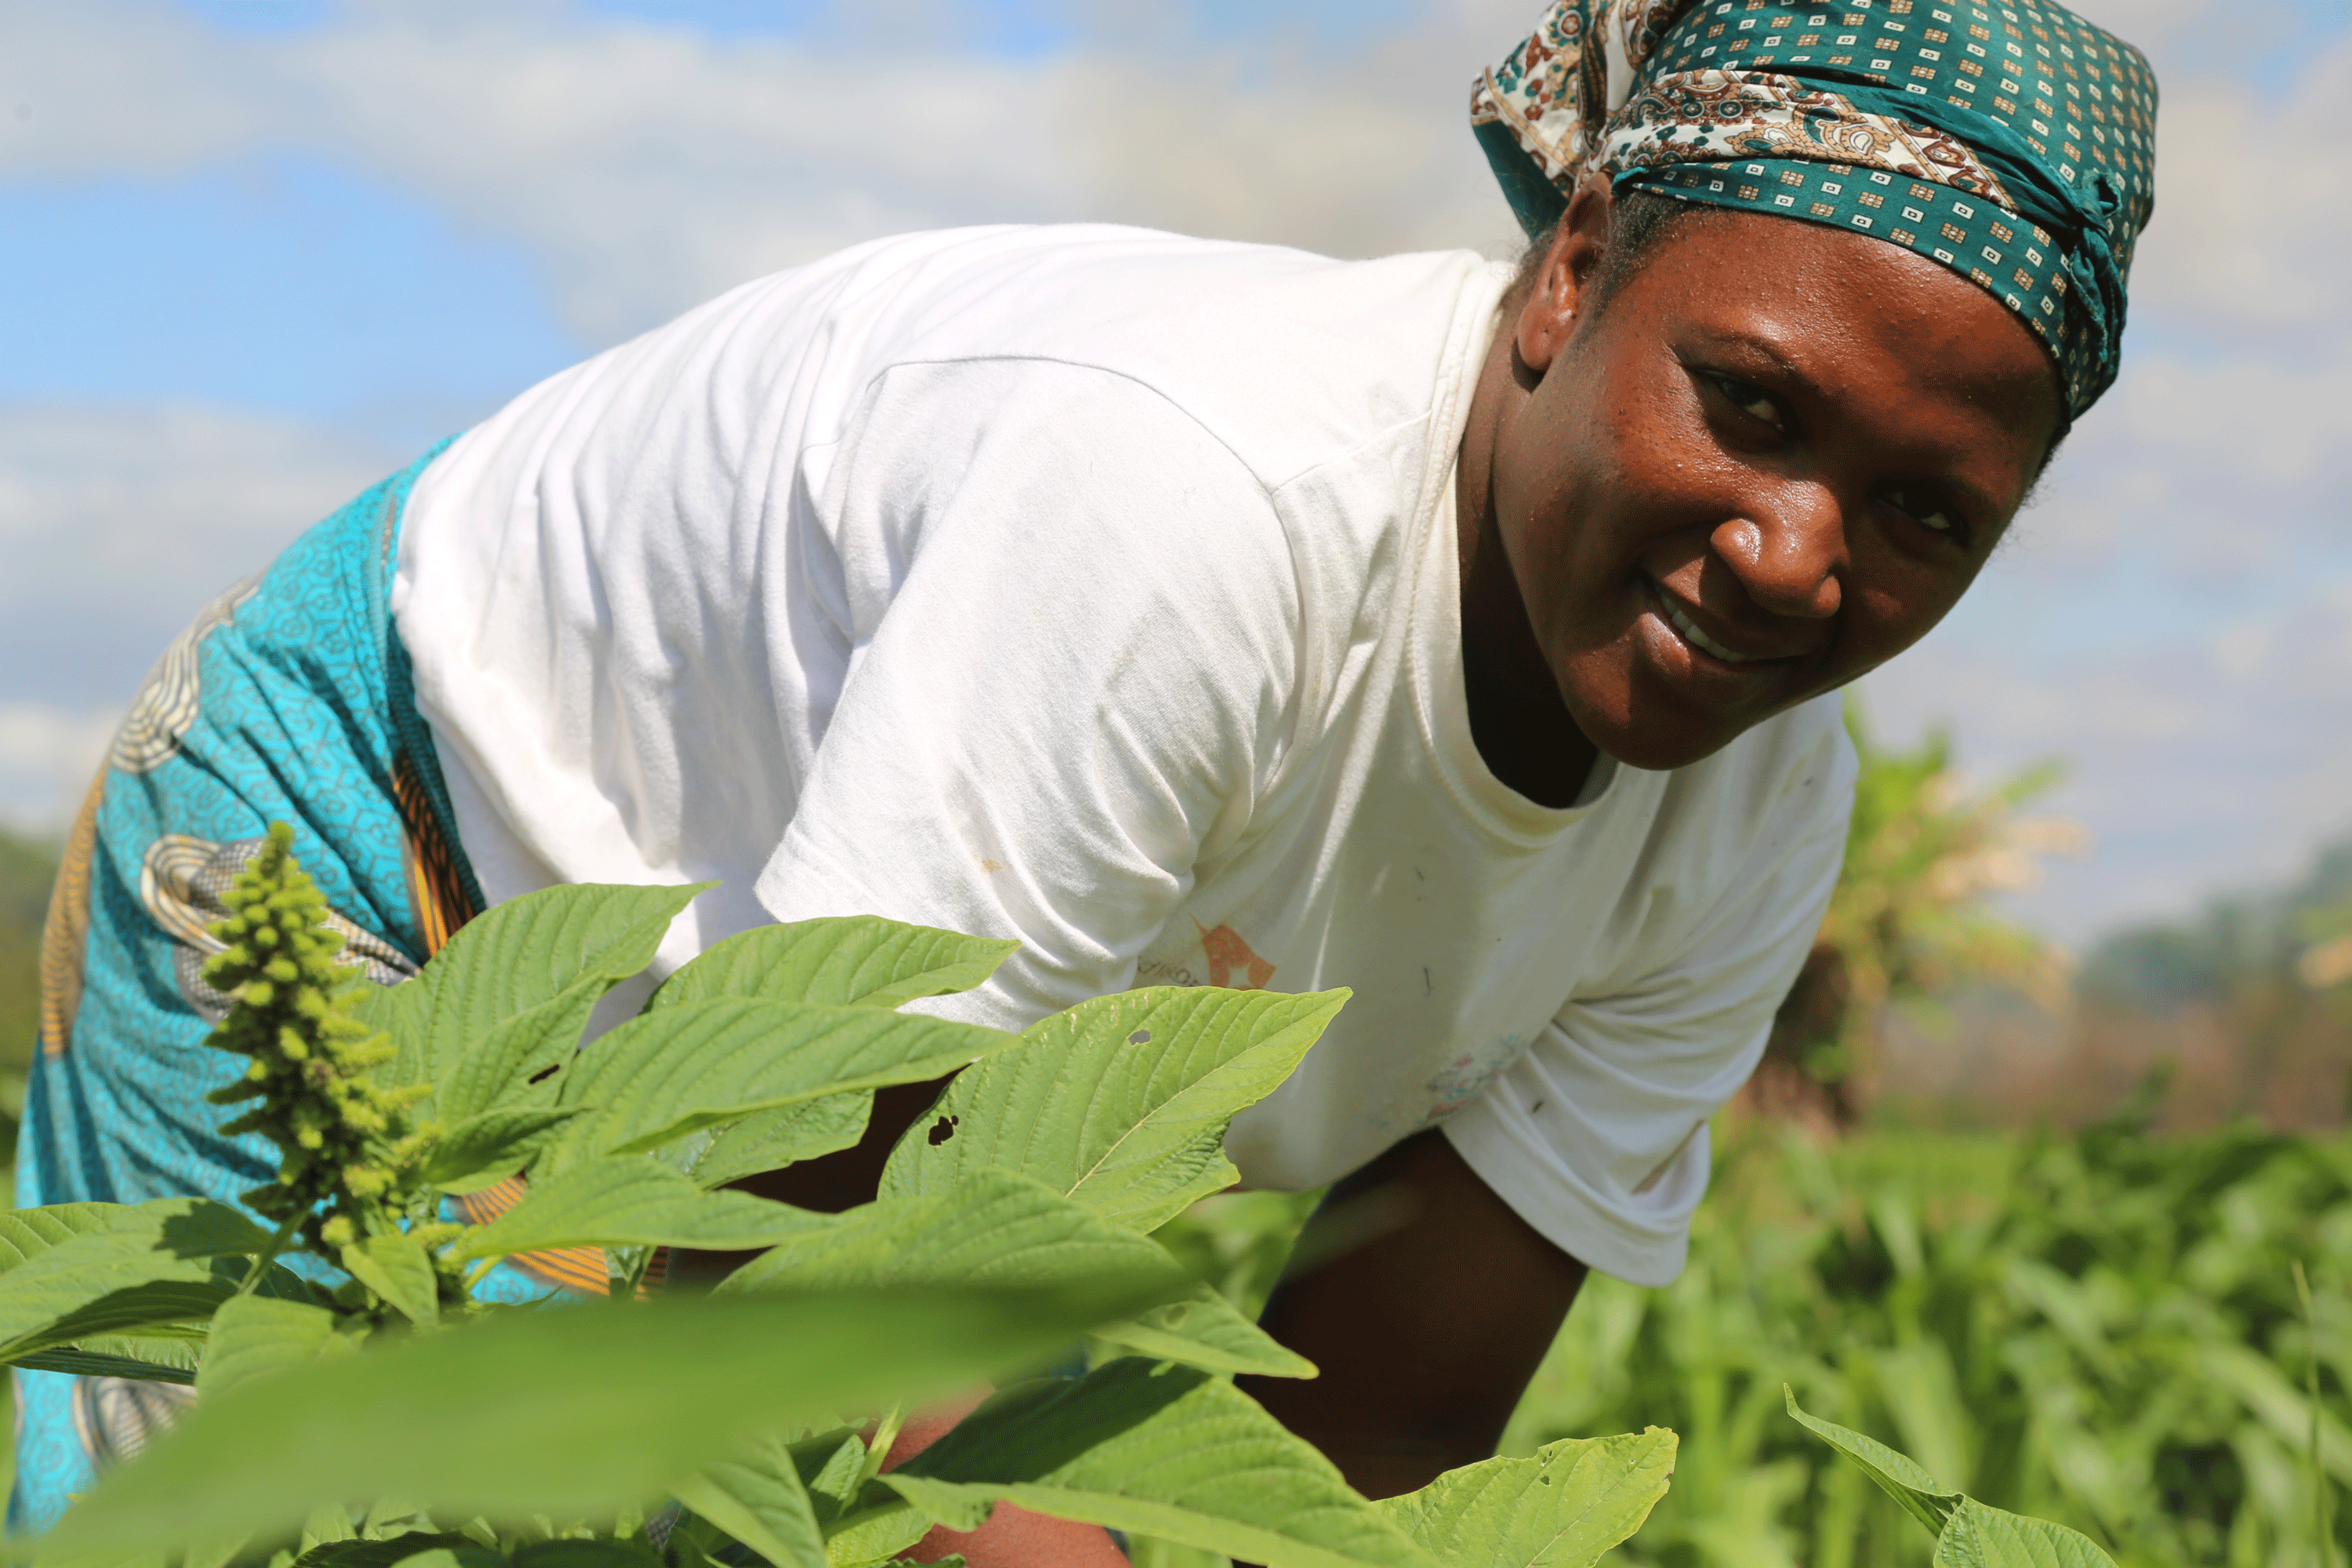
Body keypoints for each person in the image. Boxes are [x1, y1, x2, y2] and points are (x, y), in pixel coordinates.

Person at [20, 0, 2156, 1555]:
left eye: (1928, 513)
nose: (1797, 556)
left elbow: (1367, 1444)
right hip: (392, 853)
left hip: (810, 1135)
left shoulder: (1754, 822)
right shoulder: (1195, 504)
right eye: (1753, 405)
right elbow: (780, 1289)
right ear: (1572, 273)